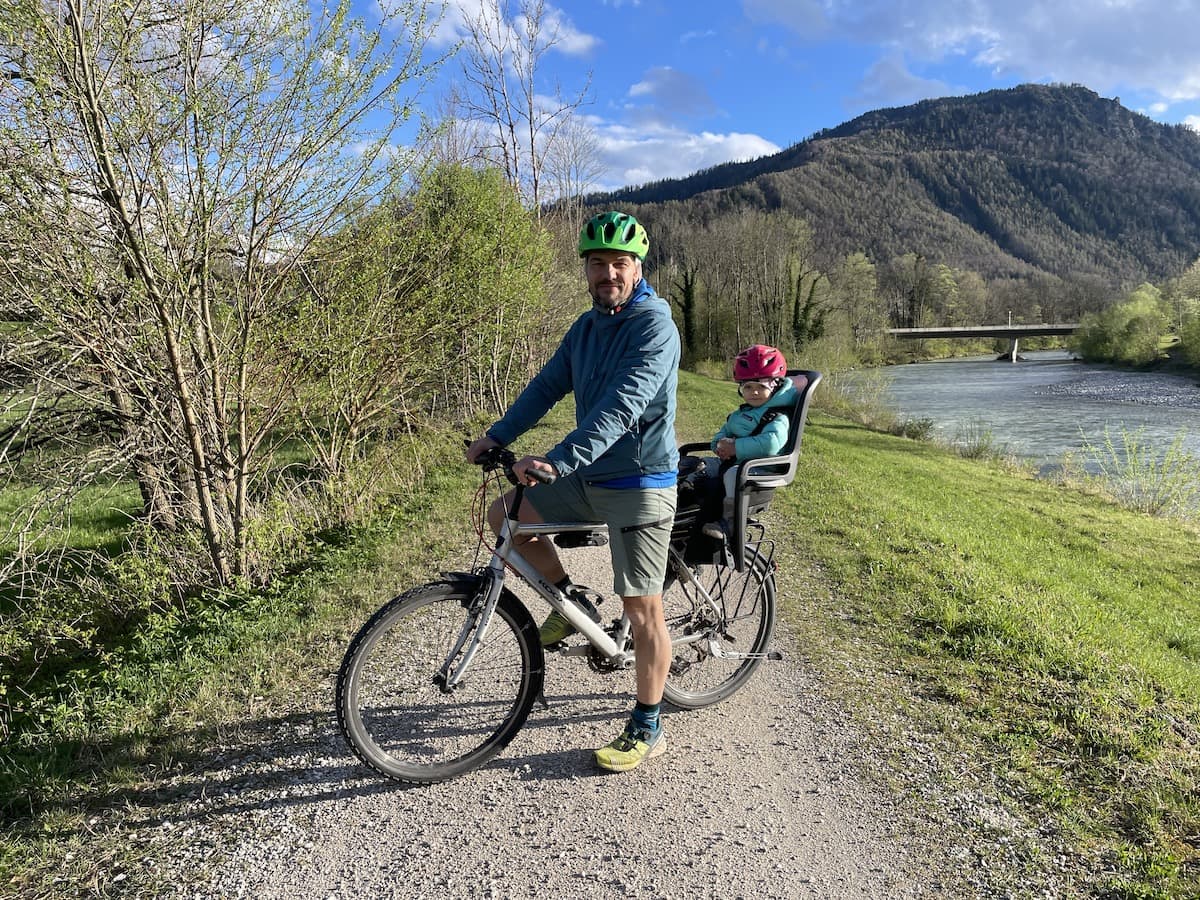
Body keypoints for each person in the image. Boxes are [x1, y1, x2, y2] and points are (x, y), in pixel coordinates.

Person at [465, 211, 680, 773]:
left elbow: (623, 405)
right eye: (597, 263)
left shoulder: (654, 324)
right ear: (585, 270)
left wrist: (559, 460)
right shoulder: (586, 328)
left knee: (641, 608)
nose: (607, 272)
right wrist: (498, 435)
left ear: (637, 268)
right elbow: (548, 385)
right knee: (507, 514)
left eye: (619, 263)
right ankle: (574, 601)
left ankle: (648, 725)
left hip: (639, 481)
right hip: (590, 477)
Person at [700, 344, 796, 541]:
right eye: (748, 387)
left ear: (775, 386)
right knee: (699, 466)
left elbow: (771, 444)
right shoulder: (741, 413)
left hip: (760, 469)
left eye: (761, 387)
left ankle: (729, 523)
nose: (754, 392)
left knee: (734, 474)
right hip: (735, 461)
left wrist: (735, 448)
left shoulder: (777, 416)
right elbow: (723, 432)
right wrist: (719, 447)